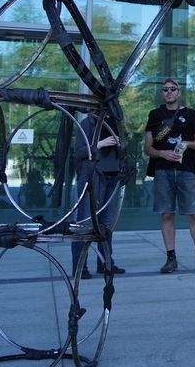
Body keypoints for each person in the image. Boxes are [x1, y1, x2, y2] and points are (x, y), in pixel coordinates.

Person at [143, 78, 195, 273]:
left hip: (187, 171)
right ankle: (171, 259)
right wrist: (162, 153)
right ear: (162, 93)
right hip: (163, 171)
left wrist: (185, 143)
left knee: (194, 214)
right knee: (167, 214)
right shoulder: (155, 115)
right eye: (165, 89)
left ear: (179, 92)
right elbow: (148, 148)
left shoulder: (190, 114)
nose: (169, 92)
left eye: (173, 89)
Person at [71, 113, 125, 278]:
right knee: (85, 220)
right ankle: (80, 267)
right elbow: (79, 152)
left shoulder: (116, 122)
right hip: (92, 175)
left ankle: (105, 262)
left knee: (106, 223)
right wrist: (100, 144)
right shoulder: (88, 122)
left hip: (113, 175)